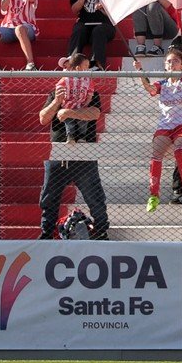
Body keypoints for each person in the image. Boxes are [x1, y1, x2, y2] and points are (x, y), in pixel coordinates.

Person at [36, 51, 109, 240]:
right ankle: (46, 234)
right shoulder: (57, 89)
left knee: (95, 197)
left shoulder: (89, 89)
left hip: (84, 152)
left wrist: (69, 112)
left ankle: (101, 232)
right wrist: (57, 102)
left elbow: (95, 113)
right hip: (59, 152)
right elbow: (43, 118)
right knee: (49, 196)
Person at [136, 49, 182, 212]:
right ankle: (153, 195)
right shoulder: (162, 84)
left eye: (176, 61)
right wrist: (140, 71)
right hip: (165, 126)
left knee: (179, 150)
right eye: (169, 61)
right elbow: (150, 89)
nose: (172, 64)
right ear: (165, 65)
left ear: (181, 65)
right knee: (156, 155)